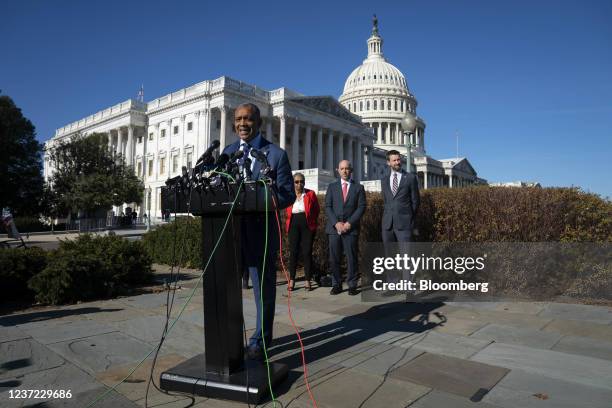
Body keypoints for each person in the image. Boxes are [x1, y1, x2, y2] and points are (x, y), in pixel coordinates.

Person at [221, 103, 295, 360]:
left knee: (262, 290)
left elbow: (287, 194)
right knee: (226, 288)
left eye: (248, 119)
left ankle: (261, 339)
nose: (242, 123)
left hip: (261, 232)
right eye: (238, 119)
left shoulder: (276, 155)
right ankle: (228, 337)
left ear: (258, 122)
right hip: (229, 233)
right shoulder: (228, 152)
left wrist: (258, 199)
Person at [324, 160, 366, 296]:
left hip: (351, 228)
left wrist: (349, 223)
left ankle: (352, 284)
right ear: (338, 170)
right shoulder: (331, 187)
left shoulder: (358, 188)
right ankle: (336, 284)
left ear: (351, 170)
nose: (344, 171)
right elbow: (328, 206)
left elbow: (361, 207)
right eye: (342, 168)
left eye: (347, 168)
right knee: (334, 258)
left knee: (351, 257)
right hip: (334, 229)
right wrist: (336, 223)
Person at [285, 172, 320, 291]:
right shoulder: (289, 195)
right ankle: (292, 280)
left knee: (307, 252)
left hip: (307, 225)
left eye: (301, 182)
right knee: (293, 252)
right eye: (296, 182)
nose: (299, 184)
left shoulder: (310, 194)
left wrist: (311, 220)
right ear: (293, 183)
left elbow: (316, 209)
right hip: (293, 223)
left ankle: (307, 280)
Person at [381, 150, 420, 242]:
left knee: (406, 255)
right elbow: (386, 201)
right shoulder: (384, 180)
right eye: (394, 160)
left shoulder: (410, 178)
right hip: (387, 225)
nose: (397, 162)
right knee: (389, 255)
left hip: (405, 224)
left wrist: (409, 217)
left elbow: (415, 201)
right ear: (388, 163)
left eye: (398, 159)